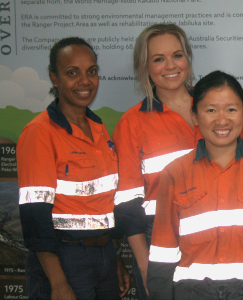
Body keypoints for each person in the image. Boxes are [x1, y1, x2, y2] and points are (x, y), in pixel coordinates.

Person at [147, 70, 243, 300]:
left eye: (231, 109)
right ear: (194, 116)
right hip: (193, 293)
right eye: (211, 110)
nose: (222, 120)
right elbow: (163, 249)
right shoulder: (174, 173)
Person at [17, 37, 130, 299]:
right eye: (72, 73)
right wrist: (57, 283)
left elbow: (105, 204)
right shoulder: (40, 132)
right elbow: (35, 216)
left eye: (91, 71)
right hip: (64, 260)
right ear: (54, 78)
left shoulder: (100, 129)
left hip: (103, 257)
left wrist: (115, 259)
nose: (85, 81)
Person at [113, 23, 200, 299]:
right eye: (158, 59)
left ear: (188, 58)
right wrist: (144, 262)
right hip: (159, 239)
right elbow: (127, 204)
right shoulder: (131, 123)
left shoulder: (214, 108)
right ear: (145, 68)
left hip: (215, 234)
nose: (170, 65)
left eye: (177, 55)